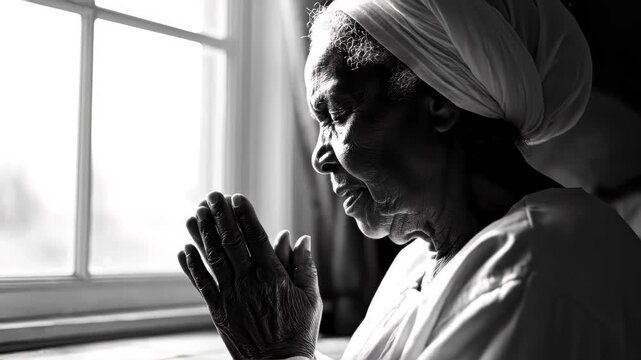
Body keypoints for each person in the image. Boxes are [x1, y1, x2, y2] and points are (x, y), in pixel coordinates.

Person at [177, 0, 641, 358]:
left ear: (438, 101)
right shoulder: (419, 261)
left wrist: (278, 356)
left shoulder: (529, 274)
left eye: (336, 113)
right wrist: (294, 347)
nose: (320, 157)